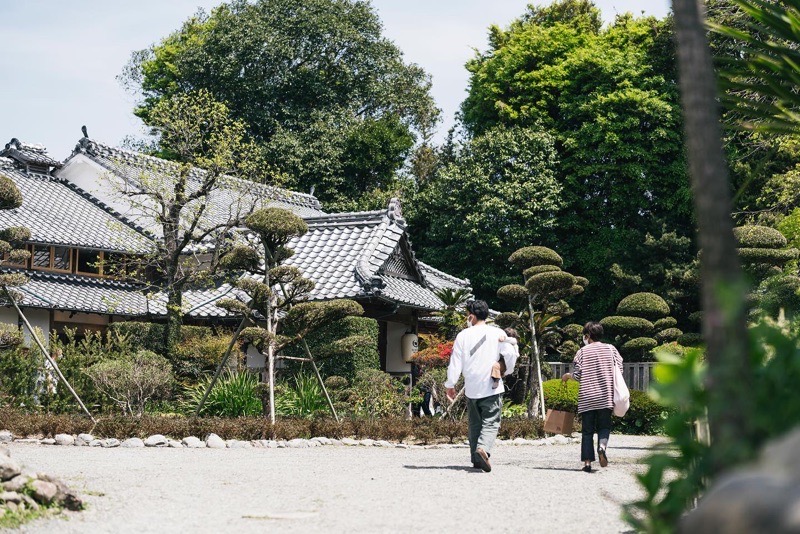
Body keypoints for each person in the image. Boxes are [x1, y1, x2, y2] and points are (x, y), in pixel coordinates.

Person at [445, 300, 518, 472]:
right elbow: (510, 354)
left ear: (472, 315)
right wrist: (507, 370)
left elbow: (455, 362)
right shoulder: (497, 333)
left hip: (471, 388)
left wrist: (450, 384)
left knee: (475, 424)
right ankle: (483, 449)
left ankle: (476, 459)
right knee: (491, 421)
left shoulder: (463, 335)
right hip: (492, 386)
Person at [561, 321, 623, 473]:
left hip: (587, 396)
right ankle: (602, 447)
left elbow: (577, 375)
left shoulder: (582, 352)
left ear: (587, 336)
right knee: (604, 426)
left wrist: (567, 376)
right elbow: (619, 369)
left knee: (587, 431)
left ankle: (587, 463)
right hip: (605, 395)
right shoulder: (611, 349)